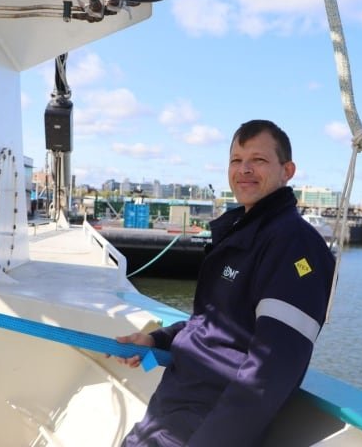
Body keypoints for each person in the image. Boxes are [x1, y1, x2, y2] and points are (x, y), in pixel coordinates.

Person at [117, 120, 336, 446]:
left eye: (258, 161)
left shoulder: (294, 246)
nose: (244, 170)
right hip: (168, 413)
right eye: (237, 160)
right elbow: (213, 326)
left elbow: (270, 372)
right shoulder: (245, 234)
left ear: (287, 170)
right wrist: (156, 339)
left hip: (202, 425)